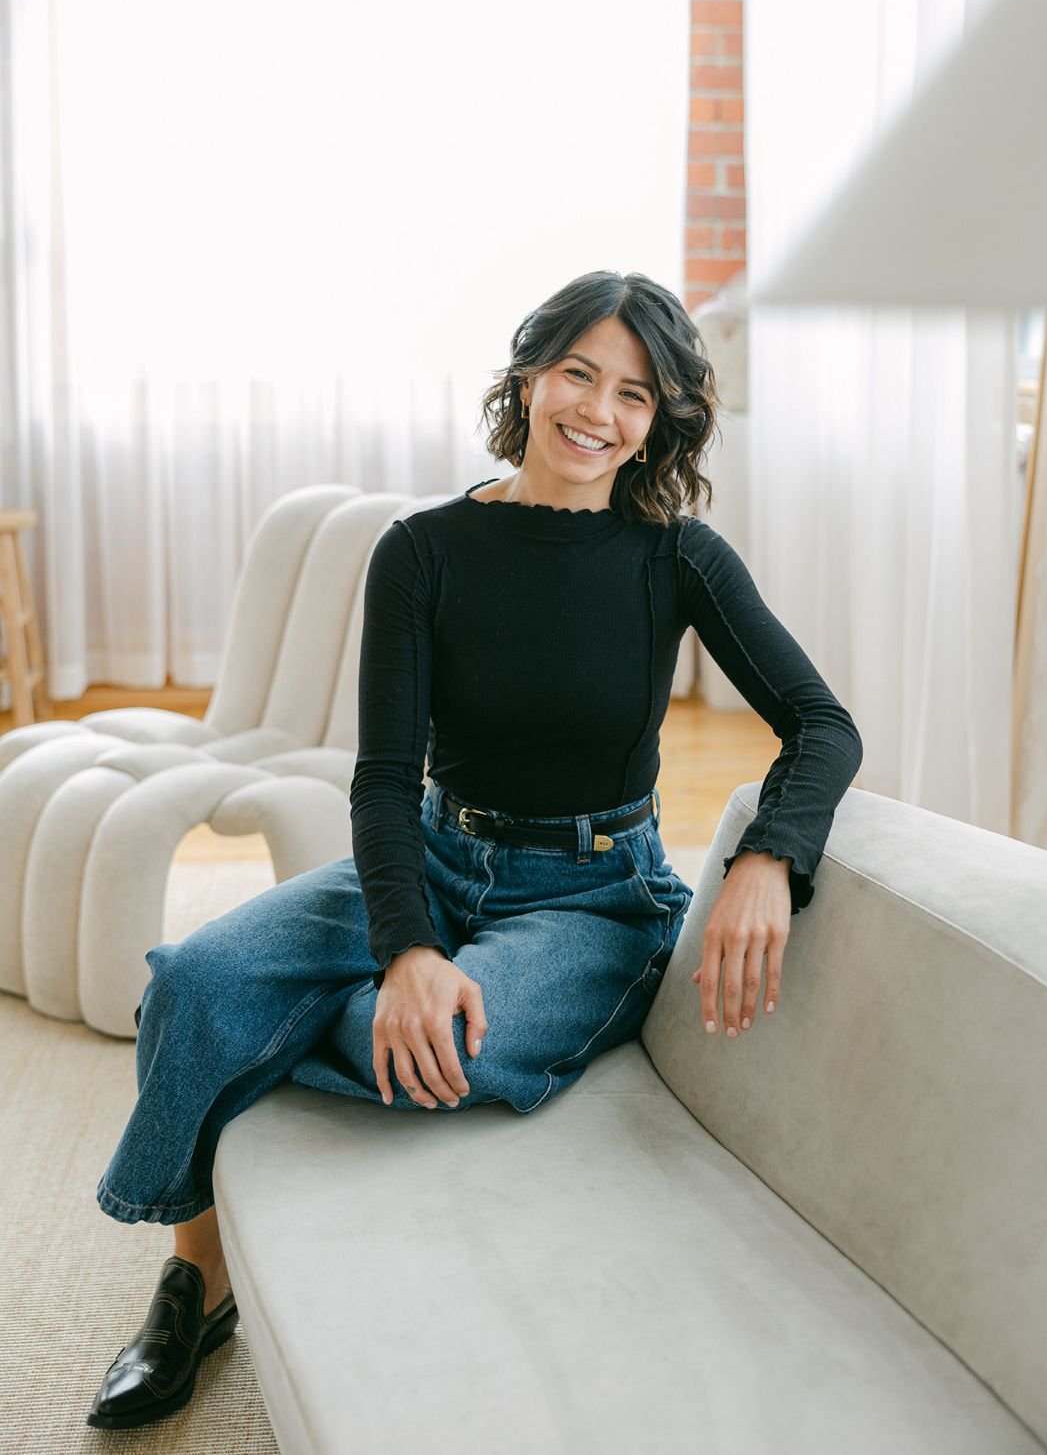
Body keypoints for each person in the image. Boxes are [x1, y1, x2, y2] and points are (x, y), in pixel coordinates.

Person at [86, 269, 863, 1430]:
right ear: (529, 375)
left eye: (635, 395)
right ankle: (197, 1279)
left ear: (663, 422)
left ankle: (293, 1038)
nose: (599, 411)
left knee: (440, 1046)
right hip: (438, 859)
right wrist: (404, 944)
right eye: (578, 374)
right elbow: (388, 777)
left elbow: (822, 725)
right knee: (194, 984)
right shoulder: (423, 551)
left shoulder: (678, 558)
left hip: (597, 894)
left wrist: (766, 859)